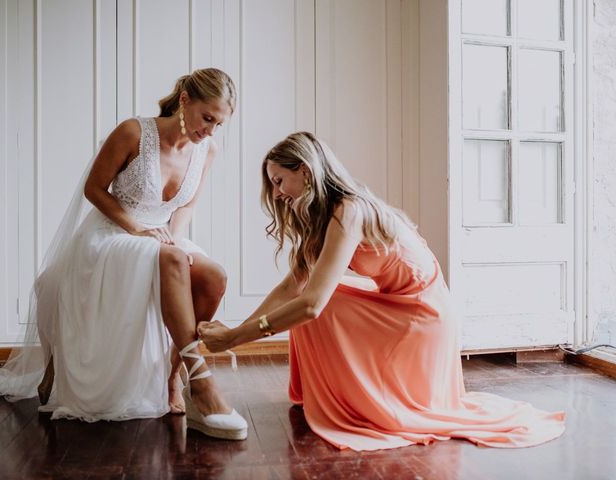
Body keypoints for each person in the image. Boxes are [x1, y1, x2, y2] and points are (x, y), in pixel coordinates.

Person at [198, 131, 565, 451]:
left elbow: (309, 305)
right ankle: (332, 395)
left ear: (306, 173)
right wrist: (235, 330)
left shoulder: (349, 210)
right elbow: (291, 285)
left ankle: (353, 400)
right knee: (317, 294)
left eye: (280, 181)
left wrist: (234, 339)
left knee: (320, 302)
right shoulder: (326, 215)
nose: (277, 195)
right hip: (401, 306)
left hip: (425, 317)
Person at [0, 69, 247, 440]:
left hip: (161, 236)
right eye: (208, 118)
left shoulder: (207, 149)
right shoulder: (134, 132)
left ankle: (173, 377)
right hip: (112, 233)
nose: (211, 131)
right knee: (169, 259)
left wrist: (175, 240)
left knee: (215, 276)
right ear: (185, 100)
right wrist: (138, 230)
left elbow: (186, 207)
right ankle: (201, 380)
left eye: (220, 123)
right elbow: (94, 189)